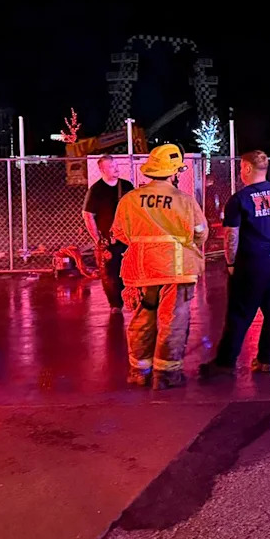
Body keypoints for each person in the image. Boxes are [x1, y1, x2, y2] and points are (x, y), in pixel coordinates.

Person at [111, 144, 207, 390]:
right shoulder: (184, 200)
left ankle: (140, 372)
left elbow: (119, 233)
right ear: (173, 172)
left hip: (141, 271)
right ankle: (166, 376)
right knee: (172, 322)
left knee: (142, 320)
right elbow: (200, 234)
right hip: (177, 271)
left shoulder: (129, 200)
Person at [200, 151, 270, 376]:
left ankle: (225, 363)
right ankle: (266, 360)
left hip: (251, 265)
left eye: (241, 167)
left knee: (239, 314)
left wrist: (231, 264)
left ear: (249, 169)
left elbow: (231, 235)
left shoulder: (239, 199)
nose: (240, 172)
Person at [83, 155, 135, 313]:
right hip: (108, 241)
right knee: (109, 275)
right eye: (112, 166)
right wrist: (98, 239)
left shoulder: (126, 186)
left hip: (127, 239)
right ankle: (115, 305)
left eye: (117, 165)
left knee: (130, 271)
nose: (117, 168)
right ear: (102, 169)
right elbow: (88, 214)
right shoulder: (96, 190)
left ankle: (132, 300)